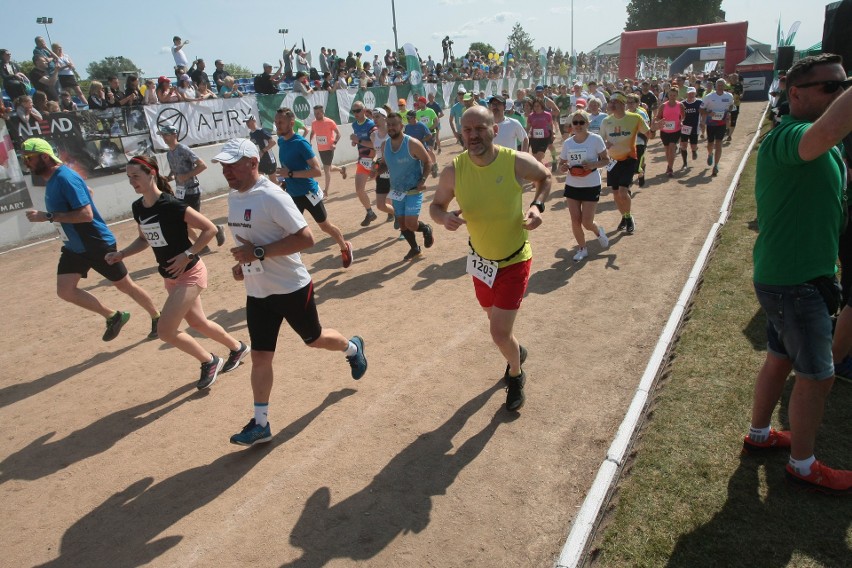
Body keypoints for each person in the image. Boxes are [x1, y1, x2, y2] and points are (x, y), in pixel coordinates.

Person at [742, 53, 852, 495]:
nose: (840, 93)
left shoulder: (811, 140)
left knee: (779, 357)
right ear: (795, 94)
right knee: (818, 375)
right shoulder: (789, 135)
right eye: (832, 87)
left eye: (843, 86)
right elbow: (825, 132)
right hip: (796, 281)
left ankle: (760, 433)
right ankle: (802, 465)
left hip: (792, 275)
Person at [213, 138, 368, 445]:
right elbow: (249, 244)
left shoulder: (271, 196)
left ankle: (352, 348)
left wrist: (257, 253)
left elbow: (306, 238)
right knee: (259, 356)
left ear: (253, 163)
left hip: (291, 288)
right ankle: (260, 424)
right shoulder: (233, 197)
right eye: (223, 166)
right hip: (258, 292)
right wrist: (244, 264)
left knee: (315, 340)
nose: (226, 171)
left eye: (233, 165)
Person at [429, 106, 551, 411]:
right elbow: (436, 206)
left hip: (514, 260)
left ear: (494, 130)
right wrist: (443, 217)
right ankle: (517, 351)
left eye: (480, 128)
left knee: (498, 332)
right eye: (467, 130)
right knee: (493, 319)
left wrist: (537, 207)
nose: (473, 135)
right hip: (481, 262)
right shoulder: (454, 170)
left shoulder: (513, 162)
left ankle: (515, 374)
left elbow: (545, 177)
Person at [106, 155, 250, 389]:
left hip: (191, 273)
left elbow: (210, 229)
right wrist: (122, 254)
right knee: (199, 323)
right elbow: (144, 240)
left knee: (165, 330)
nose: (132, 181)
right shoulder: (138, 208)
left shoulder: (171, 205)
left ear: (151, 173)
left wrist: (189, 254)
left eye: (136, 176)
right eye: (129, 177)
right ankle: (238, 348)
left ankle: (209, 360)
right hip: (170, 277)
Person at [23, 138, 161, 342]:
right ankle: (113, 316)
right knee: (65, 290)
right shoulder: (55, 178)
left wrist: (48, 217)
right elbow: (88, 192)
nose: (27, 163)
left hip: (95, 243)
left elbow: (86, 215)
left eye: (29, 158)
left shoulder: (64, 177)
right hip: (74, 246)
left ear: (44, 157)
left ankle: (157, 316)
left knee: (125, 285)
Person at [274, 107, 353, 269]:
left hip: (309, 193)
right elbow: (288, 167)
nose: (277, 126)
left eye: (280, 122)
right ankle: (294, 263)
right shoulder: (281, 141)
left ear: (292, 123)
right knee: (291, 230)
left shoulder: (300, 143)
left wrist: (289, 174)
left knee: (325, 226)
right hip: (293, 194)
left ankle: (345, 247)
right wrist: (284, 180)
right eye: (276, 122)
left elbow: (317, 171)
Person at [159, 124, 226, 247]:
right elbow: (175, 172)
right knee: (182, 221)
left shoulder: (183, 149)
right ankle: (202, 246)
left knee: (189, 221)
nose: (164, 137)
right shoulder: (169, 154)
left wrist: (187, 176)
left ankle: (215, 229)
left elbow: (202, 165)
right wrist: (169, 178)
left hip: (191, 190)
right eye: (162, 135)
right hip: (180, 192)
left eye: (166, 135)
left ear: (175, 135)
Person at [558, 110, 610, 261]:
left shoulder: (596, 139)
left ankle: (598, 231)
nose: (578, 125)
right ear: (571, 125)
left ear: (587, 124)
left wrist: (593, 164)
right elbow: (562, 164)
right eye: (575, 122)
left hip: (591, 184)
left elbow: (606, 160)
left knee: (586, 222)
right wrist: (563, 167)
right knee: (575, 220)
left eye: (582, 122)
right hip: (572, 184)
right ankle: (582, 249)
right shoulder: (568, 143)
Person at [385, 112, 434, 261]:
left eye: (394, 124)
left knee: (411, 223)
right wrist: (376, 169)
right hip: (397, 191)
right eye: (389, 125)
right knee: (402, 223)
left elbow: (428, 161)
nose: (391, 127)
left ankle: (426, 228)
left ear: (402, 126)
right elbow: (383, 164)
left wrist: (423, 180)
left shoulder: (412, 143)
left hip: (413, 189)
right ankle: (414, 248)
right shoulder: (385, 144)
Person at [600, 92, 649, 235]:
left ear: (621, 104)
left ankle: (628, 218)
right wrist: (605, 143)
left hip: (629, 159)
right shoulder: (606, 121)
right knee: (615, 194)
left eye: (614, 102)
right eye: (610, 102)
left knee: (622, 191)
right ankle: (624, 216)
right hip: (612, 161)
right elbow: (600, 140)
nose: (611, 104)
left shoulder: (635, 118)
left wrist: (656, 127)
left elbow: (649, 134)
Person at [349, 101, 379, 226]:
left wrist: (358, 140)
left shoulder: (371, 125)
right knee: (359, 190)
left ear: (364, 110)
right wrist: (355, 142)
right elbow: (359, 140)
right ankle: (370, 212)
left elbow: (376, 145)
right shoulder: (354, 125)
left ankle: (391, 212)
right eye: (353, 111)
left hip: (376, 161)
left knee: (384, 189)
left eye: (358, 110)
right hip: (363, 160)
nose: (356, 113)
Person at [308, 105, 347, 195]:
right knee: (328, 168)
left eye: (318, 113)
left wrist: (334, 143)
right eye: (315, 113)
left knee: (326, 169)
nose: (316, 115)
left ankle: (326, 190)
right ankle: (341, 169)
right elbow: (312, 132)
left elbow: (338, 134)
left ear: (322, 112)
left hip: (329, 148)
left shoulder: (330, 122)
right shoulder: (314, 123)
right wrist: (310, 141)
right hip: (320, 149)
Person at [700, 78, 734, 176]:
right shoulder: (709, 97)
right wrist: (709, 113)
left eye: (722, 85)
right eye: (718, 85)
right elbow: (701, 109)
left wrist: (728, 112)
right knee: (710, 143)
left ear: (724, 86)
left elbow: (731, 105)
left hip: (721, 124)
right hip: (711, 124)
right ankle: (710, 154)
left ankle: (716, 165)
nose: (720, 87)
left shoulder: (729, 96)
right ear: (715, 86)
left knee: (719, 143)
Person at [654, 88, 685, 177]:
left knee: (672, 148)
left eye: (674, 95)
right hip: (664, 130)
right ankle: (669, 165)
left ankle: (670, 168)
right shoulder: (663, 105)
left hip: (676, 130)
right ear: (668, 95)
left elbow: (683, 116)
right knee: (667, 149)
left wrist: (681, 121)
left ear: (677, 96)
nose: (672, 97)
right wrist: (657, 121)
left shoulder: (680, 105)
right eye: (671, 95)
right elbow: (658, 116)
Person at [679, 86, 702, 167]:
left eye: (692, 93)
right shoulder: (682, 104)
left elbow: (704, 111)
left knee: (693, 146)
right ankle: (685, 163)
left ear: (695, 93)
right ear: (687, 94)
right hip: (685, 127)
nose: (691, 95)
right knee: (683, 145)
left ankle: (694, 151)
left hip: (695, 127)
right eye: (689, 93)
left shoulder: (699, 102)